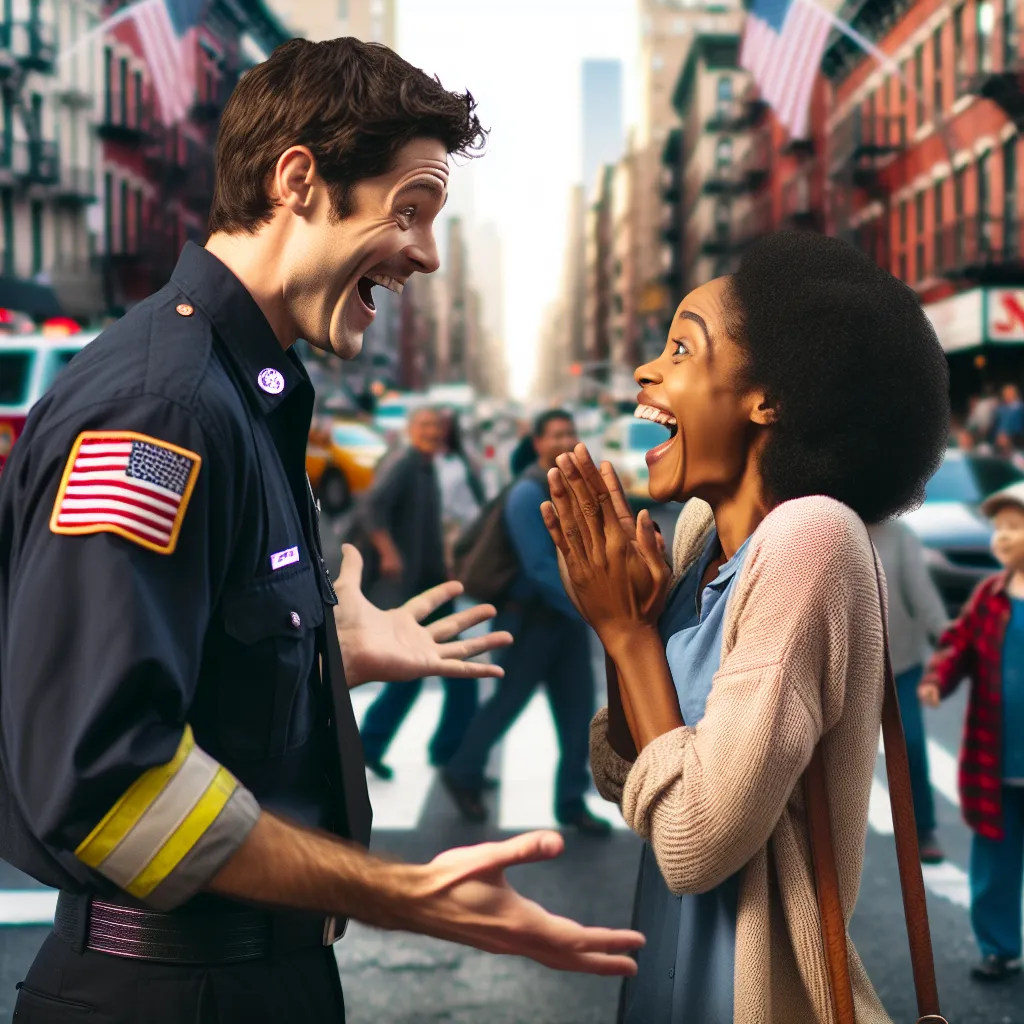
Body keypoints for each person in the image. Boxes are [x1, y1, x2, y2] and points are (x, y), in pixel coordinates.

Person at [0, 38, 644, 1024]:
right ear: (297, 179)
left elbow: (183, 678)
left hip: (249, 985)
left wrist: (321, 659)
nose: (425, 252)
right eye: (411, 207)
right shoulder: (162, 409)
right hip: (168, 994)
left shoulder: (242, 390)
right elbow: (106, 781)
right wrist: (407, 895)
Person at [542, 230, 949, 1022]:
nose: (645, 372)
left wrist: (629, 638)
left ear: (769, 399)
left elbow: (695, 841)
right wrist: (622, 624)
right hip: (664, 974)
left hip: (748, 995)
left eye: (682, 351)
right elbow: (629, 781)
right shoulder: (698, 536)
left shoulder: (810, 539)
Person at [442, 410, 612, 835]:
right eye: (555, 433)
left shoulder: (570, 489)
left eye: (569, 432)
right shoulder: (525, 493)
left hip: (565, 624)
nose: (564, 439)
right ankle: (462, 772)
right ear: (536, 443)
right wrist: (592, 610)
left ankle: (571, 801)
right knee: (506, 704)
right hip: (530, 623)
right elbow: (539, 567)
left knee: (577, 713)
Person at [918, 478, 1024, 983]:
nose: (1001, 537)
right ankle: (1000, 946)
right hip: (997, 761)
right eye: (998, 528)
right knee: (994, 865)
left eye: (1014, 527)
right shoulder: (990, 595)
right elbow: (958, 645)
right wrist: (938, 678)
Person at [358, 406, 483, 779]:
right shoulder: (406, 465)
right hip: (413, 593)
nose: (433, 431)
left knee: (438, 677)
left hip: (429, 587)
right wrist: (389, 553)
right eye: (425, 424)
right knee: (436, 677)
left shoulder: (427, 467)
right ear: (412, 429)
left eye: (437, 426)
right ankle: (444, 755)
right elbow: (371, 509)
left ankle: (438, 751)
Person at [866, 518, 950, 863]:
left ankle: (923, 828)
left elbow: (922, 594)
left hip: (901, 663)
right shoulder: (830, 528)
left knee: (911, 744)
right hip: (846, 666)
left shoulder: (900, 535)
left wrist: (947, 636)